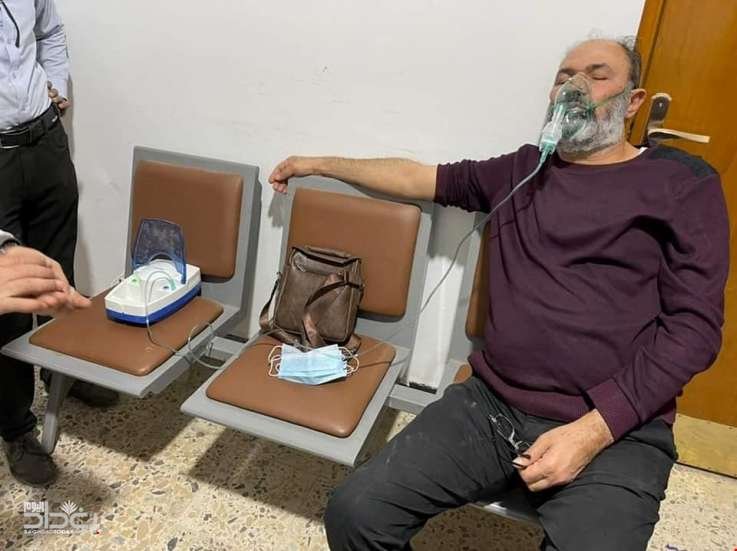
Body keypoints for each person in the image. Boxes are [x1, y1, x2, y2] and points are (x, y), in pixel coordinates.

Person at [268, 37, 729, 550]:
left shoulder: (680, 183)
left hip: (617, 426)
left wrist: (594, 430)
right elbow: (417, 177)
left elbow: (694, 331)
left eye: (597, 75)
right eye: (564, 77)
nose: (574, 88)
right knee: (356, 514)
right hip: (494, 404)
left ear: (633, 102)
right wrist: (317, 163)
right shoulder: (523, 170)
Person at [0, 0, 117, 488]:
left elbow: (49, 30)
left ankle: (60, 372)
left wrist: (56, 88)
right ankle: (16, 426)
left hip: (45, 141)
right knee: (9, 298)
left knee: (55, 273)